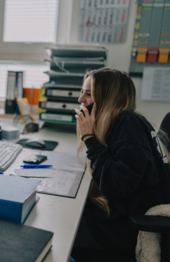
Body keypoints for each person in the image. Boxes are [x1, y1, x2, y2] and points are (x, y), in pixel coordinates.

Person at [71, 68, 170, 261]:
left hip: (128, 228)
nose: (81, 100)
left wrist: (90, 139)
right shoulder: (128, 122)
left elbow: (116, 184)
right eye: (82, 92)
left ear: (108, 98)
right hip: (125, 214)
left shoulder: (128, 123)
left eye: (89, 94)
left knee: (64, 222)